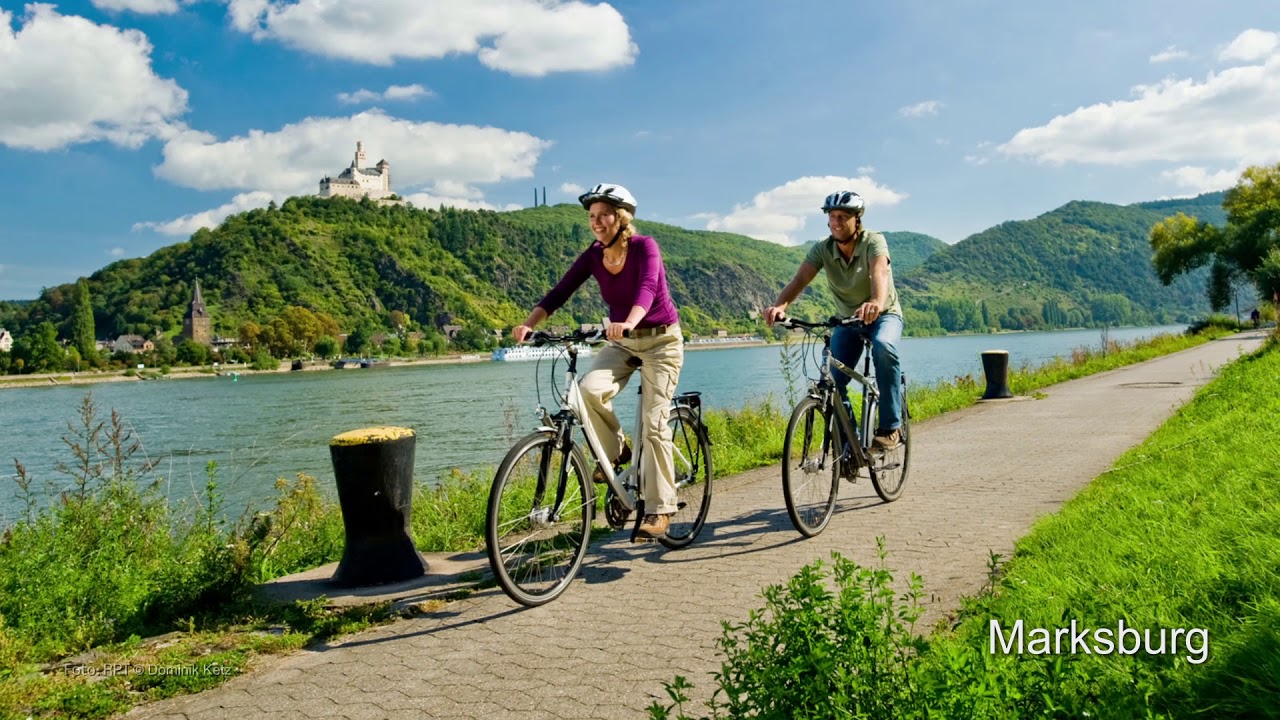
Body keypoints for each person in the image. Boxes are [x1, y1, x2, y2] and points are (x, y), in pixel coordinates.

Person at [511, 183, 684, 539]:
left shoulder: (644, 247)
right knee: (587, 393)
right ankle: (617, 452)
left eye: (604, 214)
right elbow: (560, 291)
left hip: (661, 340)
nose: (597, 222)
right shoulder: (593, 255)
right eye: (592, 216)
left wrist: (630, 322)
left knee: (654, 425)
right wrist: (529, 324)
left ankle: (661, 508)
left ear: (621, 218)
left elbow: (648, 289)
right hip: (623, 342)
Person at [763, 190, 905, 453]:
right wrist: (780, 305)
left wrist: (875, 301)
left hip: (884, 314)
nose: (836, 222)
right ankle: (850, 446)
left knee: (884, 347)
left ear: (857, 219)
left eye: (842, 216)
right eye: (832, 216)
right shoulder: (823, 250)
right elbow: (799, 280)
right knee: (831, 381)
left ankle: (890, 427)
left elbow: (879, 272)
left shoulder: (873, 241)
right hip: (849, 321)